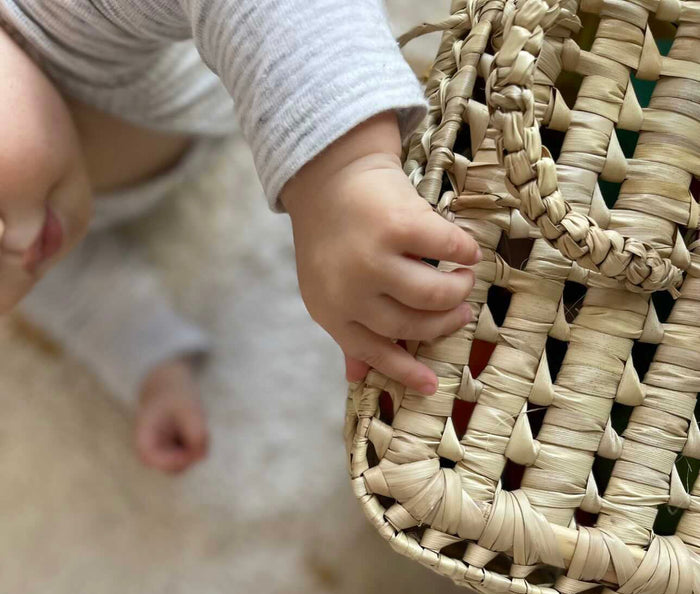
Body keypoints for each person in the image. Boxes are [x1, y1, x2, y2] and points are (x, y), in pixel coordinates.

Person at [0, 1, 481, 471]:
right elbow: (76, 285)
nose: (9, 251)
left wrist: (342, 172)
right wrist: (153, 365)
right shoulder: (34, 225)